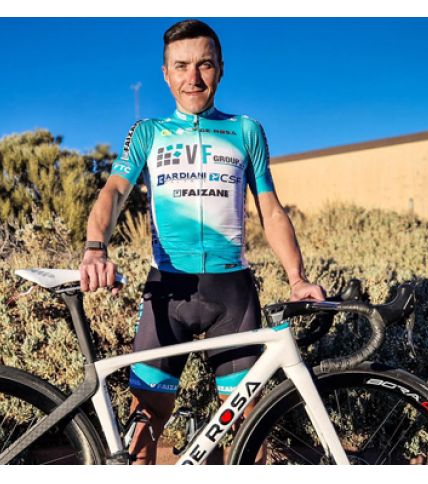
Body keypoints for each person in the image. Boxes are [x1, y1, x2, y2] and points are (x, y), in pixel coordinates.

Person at [79, 19, 324, 464]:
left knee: (248, 428)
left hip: (232, 294)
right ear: (165, 73)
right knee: (144, 428)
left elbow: (270, 210)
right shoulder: (148, 132)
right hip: (167, 290)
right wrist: (96, 248)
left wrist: (297, 278)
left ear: (221, 69)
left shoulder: (246, 130)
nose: (193, 77)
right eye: (181, 66)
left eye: (205, 65)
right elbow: (114, 192)